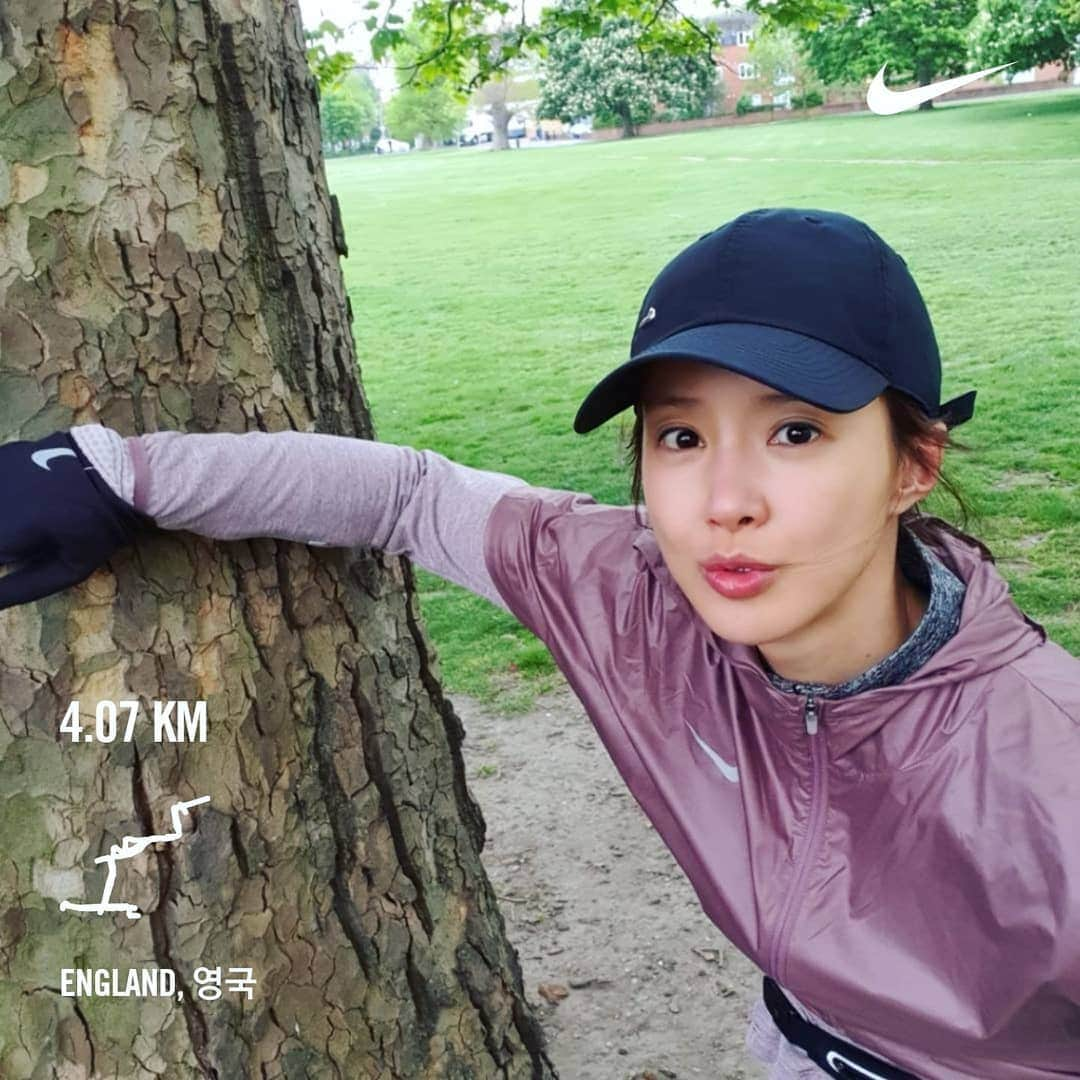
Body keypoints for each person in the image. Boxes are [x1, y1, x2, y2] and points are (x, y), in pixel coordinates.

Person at [1, 208, 1077, 1079]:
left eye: (796, 432)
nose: (724, 502)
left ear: (911, 464)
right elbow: (413, 496)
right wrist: (115, 473)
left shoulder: (1050, 765)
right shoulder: (635, 596)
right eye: (681, 436)